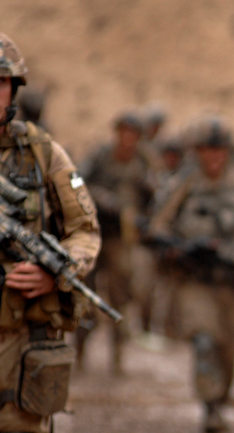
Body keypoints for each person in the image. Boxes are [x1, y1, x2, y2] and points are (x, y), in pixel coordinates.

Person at [0, 24, 100, 433]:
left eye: (1, 81)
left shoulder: (44, 152)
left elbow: (85, 231)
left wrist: (56, 272)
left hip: (18, 328)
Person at [147, 115, 234, 433]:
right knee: (204, 340)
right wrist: (178, 247)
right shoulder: (184, 185)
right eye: (207, 150)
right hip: (197, 282)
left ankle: (220, 398)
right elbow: (157, 225)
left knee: (228, 350)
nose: (213, 157)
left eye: (219, 150)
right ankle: (209, 406)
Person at [78, 111, 156, 374]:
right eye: (124, 133)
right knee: (84, 293)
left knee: (120, 296)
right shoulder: (100, 156)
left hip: (121, 237)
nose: (128, 139)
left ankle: (118, 355)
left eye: (133, 135)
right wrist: (100, 198)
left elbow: (154, 194)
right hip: (93, 232)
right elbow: (76, 180)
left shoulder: (143, 162)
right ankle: (80, 350)